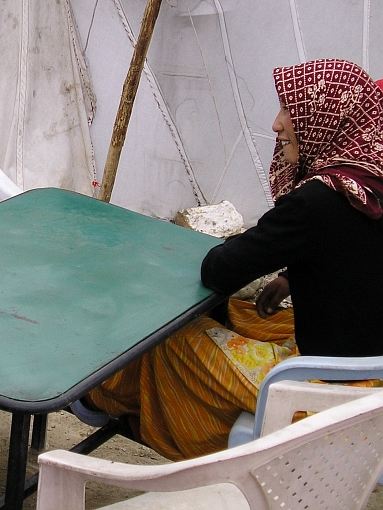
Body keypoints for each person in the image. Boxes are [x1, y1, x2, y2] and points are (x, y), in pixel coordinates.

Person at [84, 58, 383, 461]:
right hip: (370, 367)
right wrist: (293, 278)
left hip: (328, 388)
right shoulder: (369, 179)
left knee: (170, 341)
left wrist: (259, 244)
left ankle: (155, 426)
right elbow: (357, 253)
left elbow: (219, 269)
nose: (277, 125)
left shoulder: (318, 201)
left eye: (290, 112)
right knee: (242, 314)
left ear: (326, 120)